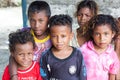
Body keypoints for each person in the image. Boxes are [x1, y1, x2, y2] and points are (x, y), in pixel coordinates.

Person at [9, 1, 52, 80]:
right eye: (32, 20)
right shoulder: (24, 34)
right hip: (27, 75)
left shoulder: (54, 36)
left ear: (48, 19)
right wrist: (14, 76)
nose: (36, 25)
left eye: (41, 21)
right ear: (28, 19)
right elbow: (13, 56)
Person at [40, 14, 87, 80]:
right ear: (50, 36)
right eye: (54, 36)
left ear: (71, 36)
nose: (59, 40)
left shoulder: (78, 54)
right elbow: (44, 77)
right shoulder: (46, 56)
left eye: (63, 36)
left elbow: (83, 76)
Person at [80, 14, 119, 80]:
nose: (102, 38)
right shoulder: (83, 50)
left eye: (106, 34)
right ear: (92, 34)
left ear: (112, 34)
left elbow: (112, 75)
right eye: (97, 34)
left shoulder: (112, 55)